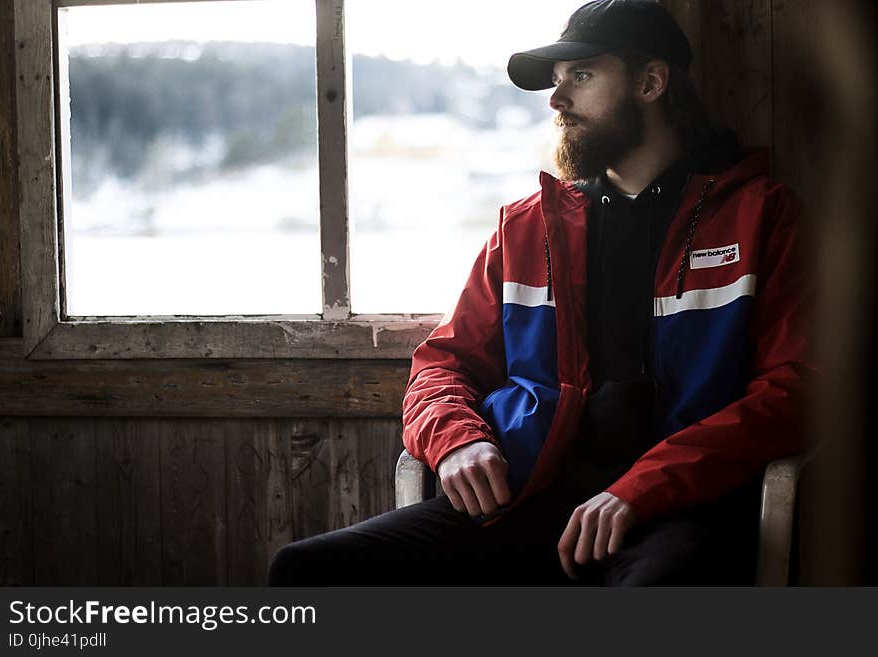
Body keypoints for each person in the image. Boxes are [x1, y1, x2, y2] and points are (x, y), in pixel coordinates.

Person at [269, 0, 812, 586]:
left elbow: (794, 392)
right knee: (306, 571)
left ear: (651, 82)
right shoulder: (526, 229)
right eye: (555, 83)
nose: (556, 101)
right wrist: (456, 441)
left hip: (681, 509)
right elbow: (442, 365)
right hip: (534, 497)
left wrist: (643, 487)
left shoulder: (761, 217)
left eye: (580, 77)